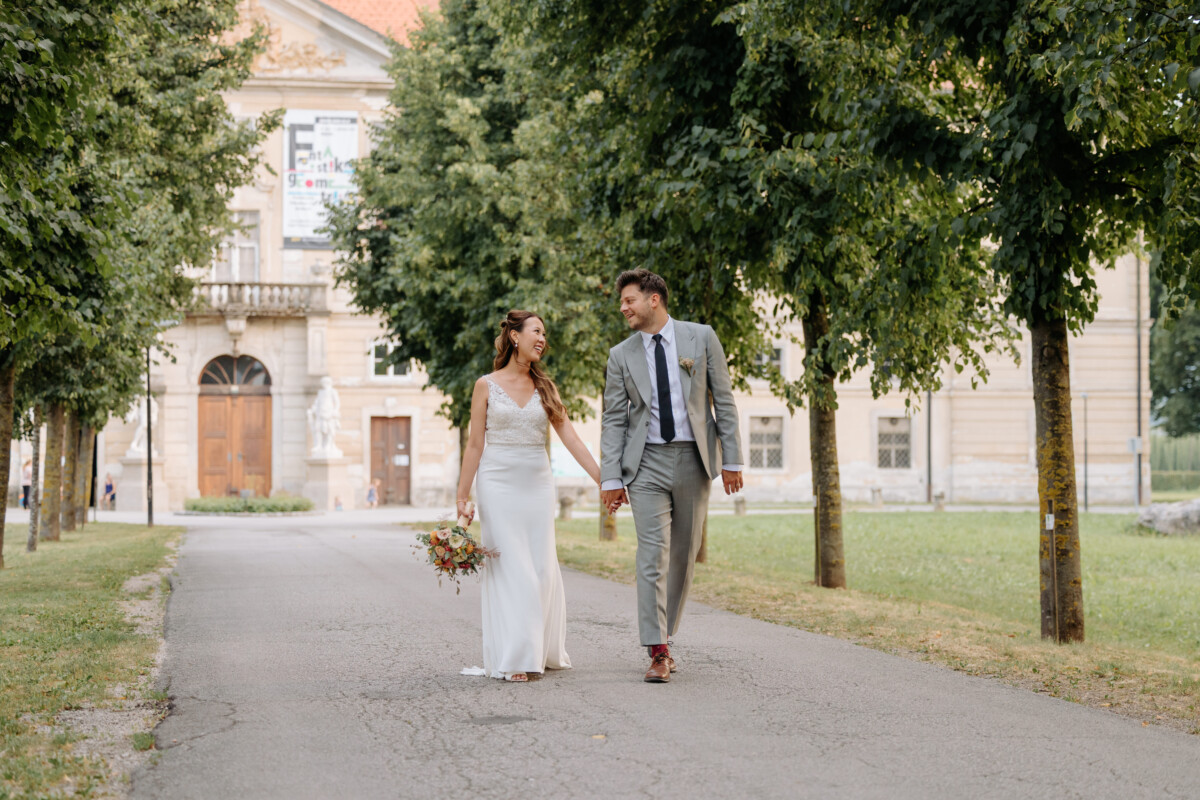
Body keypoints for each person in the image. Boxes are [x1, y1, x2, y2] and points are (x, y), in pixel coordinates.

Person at [599, 269, 744, 683]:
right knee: (651, 556)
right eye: (623, 302)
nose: (623, 308)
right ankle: (657, 649)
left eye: (629, 300)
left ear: (654, 300)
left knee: (683, 555)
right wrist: (611, 478)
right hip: (644, 465)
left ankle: (666, 634)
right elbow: (613, 420)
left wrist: (731, 460)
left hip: (694, 460)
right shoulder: (620, 355)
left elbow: (725, 403)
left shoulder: (701, 338)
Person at [457, 310, 602, 682]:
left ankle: (540, 648)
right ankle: (518, 657)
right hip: (498, 482)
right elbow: (475, 444)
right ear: (515, 337)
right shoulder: (485, 385)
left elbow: (570, 438)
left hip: (537, 483)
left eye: (544, 334)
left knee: (540, 569)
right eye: (536, 331)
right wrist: (462, 496)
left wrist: (604, 479)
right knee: (513, 568)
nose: (542, 339)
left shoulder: (546, 388)